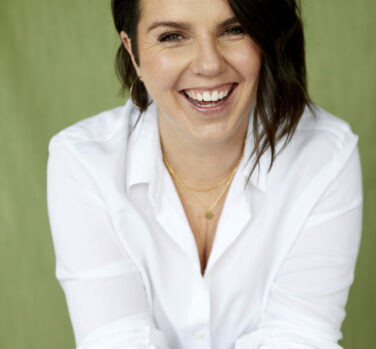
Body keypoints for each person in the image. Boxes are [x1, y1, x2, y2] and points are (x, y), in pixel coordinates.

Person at [46, 0, 363, 348]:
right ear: (133, 51)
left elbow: (300, 337)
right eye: (172, 36)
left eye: (234, 30)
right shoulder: (82, 161)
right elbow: (114, 339)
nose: (209, 64)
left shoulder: (324, 154)